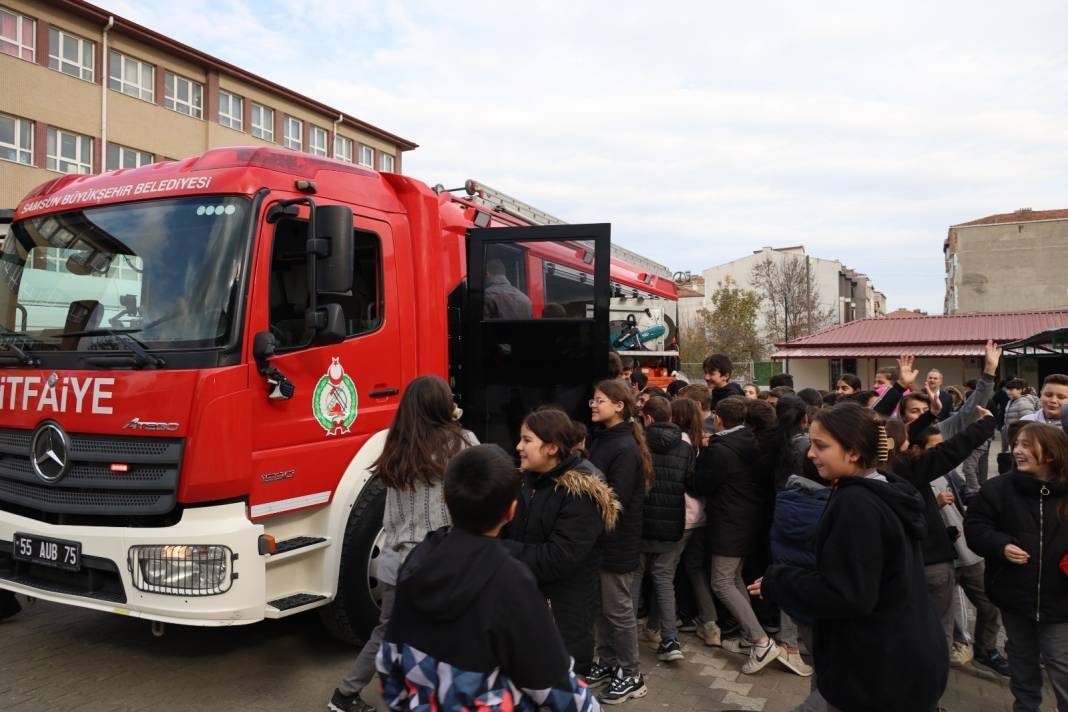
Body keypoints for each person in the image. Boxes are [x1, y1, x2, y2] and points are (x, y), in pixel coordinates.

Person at [752, 403, 948, 712]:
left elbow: (848, 593)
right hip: (905, 659)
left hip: (878, 672)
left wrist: (779, 580)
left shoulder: (856, 503)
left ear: (854, 452)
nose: (810, 454)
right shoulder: (884, 489)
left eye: (821, 446)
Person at [376, 444, 599, 712]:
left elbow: (389, 667)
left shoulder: (419, 558)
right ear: (511, 512)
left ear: (445, 499)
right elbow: (556, 687)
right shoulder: (511, 580)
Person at [329, 376, 476, 712]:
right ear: (443, 405)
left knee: (387, 632)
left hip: (397, 560)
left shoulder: (394, 444)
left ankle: (346, 693)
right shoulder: (462, 442)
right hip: (440, 561)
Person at [504, 408, 620, 678]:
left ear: (552, 448)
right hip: (527, 608)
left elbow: (558, 558)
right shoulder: (528, 480)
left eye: (527, 440)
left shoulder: (581, 491)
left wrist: (496, 551)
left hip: (562, 619)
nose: (518, 447)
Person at [965, 423, 1068, 712]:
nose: (1017, 451)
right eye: (1016, 444)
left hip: (1061, 600)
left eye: (1026, 445)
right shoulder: (998, 488)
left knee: (1061, 665)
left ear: (1050, 453)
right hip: (1014, 597)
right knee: (1022, 663)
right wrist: (1000, 545)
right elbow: (975, 527)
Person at [693, 395, 781, 674]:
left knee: (721, 582)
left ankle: (761, 641)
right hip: (747, 520)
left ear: (719, 419)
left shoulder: (721, 449)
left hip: (730, 522)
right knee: (733, 578)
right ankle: (750, 634)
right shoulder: (749, 441)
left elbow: (701, 483)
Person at [586, 379, 654, 704]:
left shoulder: (624, 447)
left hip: (617, 540)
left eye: (600, 400)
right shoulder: (604, 439)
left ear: (619, 406)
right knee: (601, 608)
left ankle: (631, 673)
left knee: (618, 610)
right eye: (593, 400)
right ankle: (607, 660)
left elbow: (617, 498)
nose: (593, 404)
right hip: (600, 540)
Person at [632, 396, 694, 663]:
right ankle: (670, 640)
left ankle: (625, 640)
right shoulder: (685, 446)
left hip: (640, 522)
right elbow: (691, 482)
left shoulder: (637, 442)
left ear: (647, 418)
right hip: (672, 524)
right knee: (664, 579)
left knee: (633, 578)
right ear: (670, 417)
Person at [670, 396, 721, 645]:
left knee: (663, 571)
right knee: (695, 568)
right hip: (703, 513)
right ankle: (710, 623)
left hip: (683, 514)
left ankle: (662, 627)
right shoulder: (704, 441)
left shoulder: (678, 442)